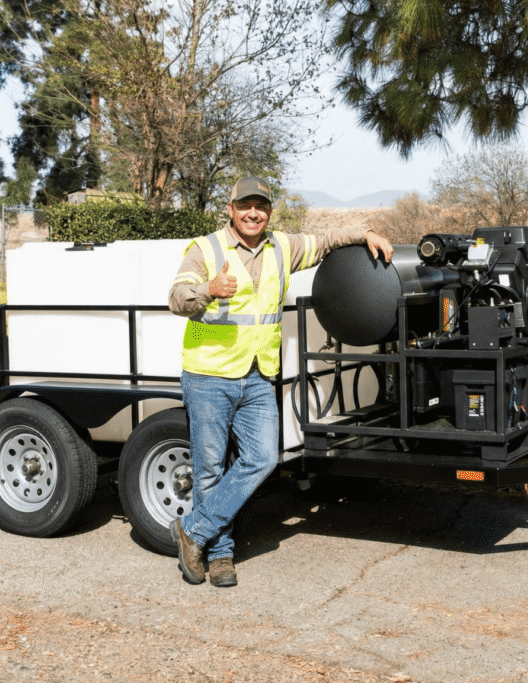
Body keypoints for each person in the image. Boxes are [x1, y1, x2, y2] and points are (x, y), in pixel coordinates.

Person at [167, 176, 393, 587]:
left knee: (263, 458)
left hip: (256, 375)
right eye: (245, 205)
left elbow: (325, 241)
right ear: (231, 209)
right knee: (209, 470)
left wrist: (366, 234)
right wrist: (208, 289)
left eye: (261, 206)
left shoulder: (282, 247)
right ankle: (219, 557)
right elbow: (176, 298)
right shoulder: (206, 249)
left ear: (269, 211)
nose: (254, 213)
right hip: (209, 374)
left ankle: (193, 530)